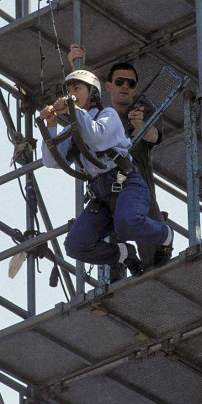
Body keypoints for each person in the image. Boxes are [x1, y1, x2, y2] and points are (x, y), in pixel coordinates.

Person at [39, 69, 174, 279]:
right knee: (75, 245)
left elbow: (96, 138)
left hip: (126, 184)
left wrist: (74, 109)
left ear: (92, 92)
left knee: (127, 224)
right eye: (69, 90)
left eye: (77, 89)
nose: (71, 94)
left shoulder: (107, 115)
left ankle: (165, 235)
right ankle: (122, 254)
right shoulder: (75, 127)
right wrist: (51, 125)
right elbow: (51, 161)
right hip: (101, 197)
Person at [68, 45, 171, 268]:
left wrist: (141, 126)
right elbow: (82, 105)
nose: (125, 87)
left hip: (137, 186)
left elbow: (154, 136)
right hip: (106, 191)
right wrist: (77, 69)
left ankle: (163, 241)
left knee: (154, 256)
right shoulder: (103, 119)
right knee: (117, 259)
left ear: (135, 89)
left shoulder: (144, 111)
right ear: (108, 86)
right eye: (119, 82)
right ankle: (126, 262)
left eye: (130, 84)